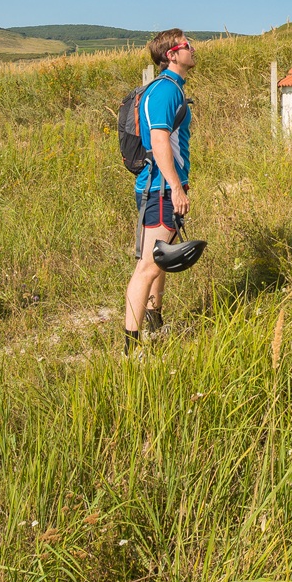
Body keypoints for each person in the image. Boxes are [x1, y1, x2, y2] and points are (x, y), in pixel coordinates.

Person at [125, 29, 194, 351]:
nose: (193, 50)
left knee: (160, 259)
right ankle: (130, 347)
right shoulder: (165, 91)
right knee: (148, 266)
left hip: (162, 187)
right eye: (187, 46)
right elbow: (159, 140)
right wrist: (177, 189)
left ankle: (155, 322)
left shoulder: (172, 89)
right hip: (160, 189)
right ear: (171, 54)